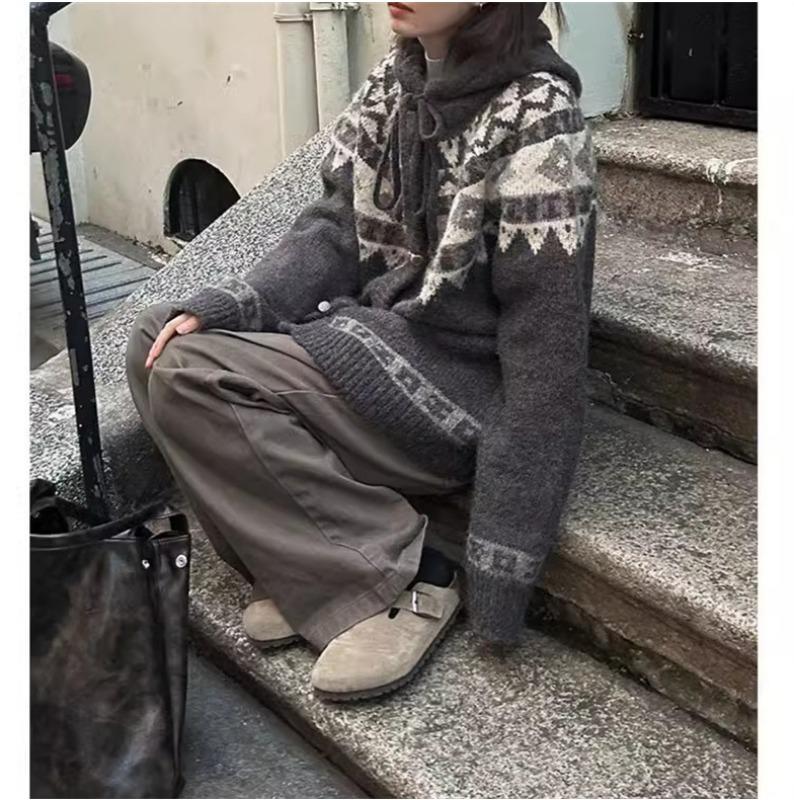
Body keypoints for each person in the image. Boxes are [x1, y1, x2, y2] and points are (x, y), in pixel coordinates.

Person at [125, 1, 597, 702]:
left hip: (456, 393)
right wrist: (234, 305)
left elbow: (546, 358)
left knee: (194, 374)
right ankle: (309, 569)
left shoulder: (539, 118)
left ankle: (411, 576)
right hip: (378, 348)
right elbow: (332, 231)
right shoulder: (396, 80)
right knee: (155, 338)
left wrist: (502, 568)